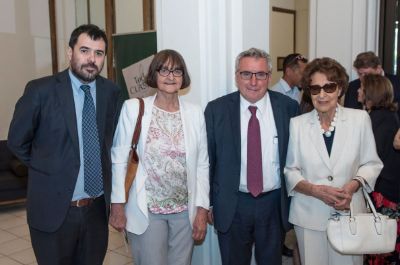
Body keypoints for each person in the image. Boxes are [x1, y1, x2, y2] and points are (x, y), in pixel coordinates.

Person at [7, 24, 121, 265]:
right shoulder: (41, 91)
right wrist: (49, 168)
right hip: (54, 211)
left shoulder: (110, 92)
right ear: (70, 53)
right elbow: (17, 141)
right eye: (85, 50)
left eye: (99, 53)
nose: (92, 59)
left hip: (96, 212)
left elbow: (110, 144)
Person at [109, 49, 209, 265]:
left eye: (177, 71)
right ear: (154, 74)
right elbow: (118, 159)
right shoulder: (134, 108)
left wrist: (202, 208)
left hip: (185, 212)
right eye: (164, 70)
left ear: (183, 77)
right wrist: (117, 204)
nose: (170, 76)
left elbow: (202, 164)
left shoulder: (195, 113)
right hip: (147, 209)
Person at [205, 47, 299, 265]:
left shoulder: (289, 108)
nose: (253, 82)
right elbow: (208, 162)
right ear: (237, 76)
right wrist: (208, 203)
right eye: (246, 74)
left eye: (261, 74)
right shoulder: (216, 110)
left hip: (274, 204)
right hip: (232, 204)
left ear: (269, 76)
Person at [284, 57, 383, 265]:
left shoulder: (359, 120)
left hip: (350, 214)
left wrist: (352, 185)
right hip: (309, 217)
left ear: (339, 89)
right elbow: (291, 170)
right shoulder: (297, 125)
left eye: (329, 87)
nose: (322, 95)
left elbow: (372, 164)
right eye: (315, 89)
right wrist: (315, 190)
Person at [358, 74, 400, 265]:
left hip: (385, 191)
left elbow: (373, 157)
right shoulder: (386, 116)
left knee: (380, 245)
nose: (358, 91)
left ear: (370, 94)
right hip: (387, 188)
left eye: (361, 88)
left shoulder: (379, 119)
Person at [344, 51, 400, 117]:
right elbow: (348, 113)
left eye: (367, 74)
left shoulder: (397, 83)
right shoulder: (352, 86)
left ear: (378, 69)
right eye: (360, 74)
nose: (362, 78)